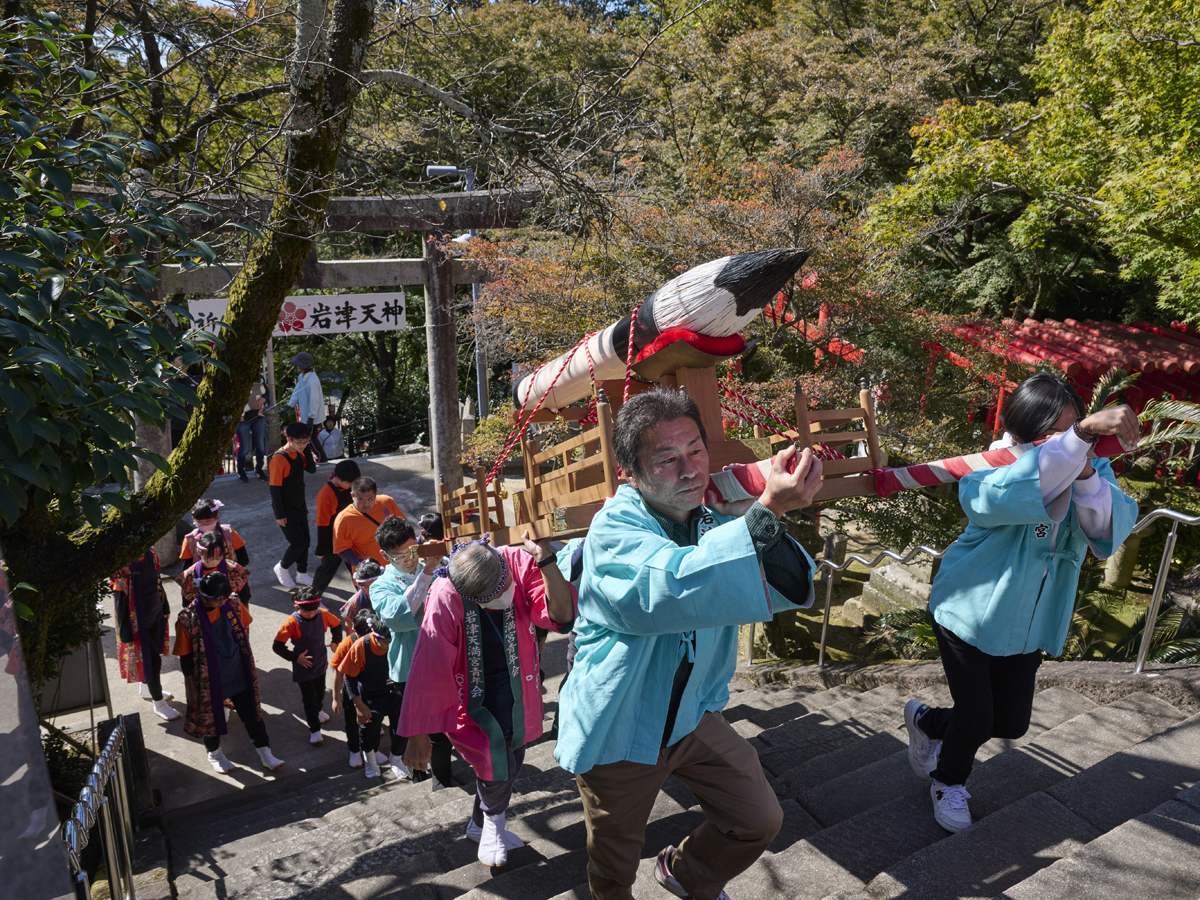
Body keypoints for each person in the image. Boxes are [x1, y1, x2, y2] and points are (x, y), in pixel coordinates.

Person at [555, 388, 821, 900]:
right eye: (667, 459)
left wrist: (758, 519)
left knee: (758, 819)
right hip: (619, 722)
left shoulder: (713, 517)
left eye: (696, 450)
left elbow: (787, 584)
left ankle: (686, 873)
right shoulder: (611, 531)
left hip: (691, 715)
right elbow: (670, 589)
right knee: (613, 858)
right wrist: (762, 514)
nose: (690, 470)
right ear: (630, 473)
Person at [903, 373, 1139, 834]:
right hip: (969, 611)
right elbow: (1006, 494)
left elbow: (1108, 531)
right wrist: (1081, 438)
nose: (1071, 439)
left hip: (1029, 618)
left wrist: (1085, 469)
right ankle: (947, 782)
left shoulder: (1089, 464)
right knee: (976, 719)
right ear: (1025, 428)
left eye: (1076, 427)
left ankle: (928, 722)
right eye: (1058, 431)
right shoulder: (990, 467)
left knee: (1010, 722)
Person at [400, 536, 576, 868]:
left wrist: (546, 560)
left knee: (514, 756)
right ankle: (493, 823)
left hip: (518, 682)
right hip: (473, 695)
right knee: (495, 763)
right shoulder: (445, 594)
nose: (500, 598)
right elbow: (429, 665)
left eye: (501, 589)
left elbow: (561, 615)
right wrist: (417, 733)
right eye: (487, 598)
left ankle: (479, 824)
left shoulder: (517, 562)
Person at [369, 516, 454, 789]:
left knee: (445, 727)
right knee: (420, 728)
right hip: (410, 668)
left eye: (411, 550)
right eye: (398, 555)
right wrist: (427, 572)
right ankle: (428, 779)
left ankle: (443, 777)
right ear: (384, 555)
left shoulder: (435, 562)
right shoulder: (380, 586)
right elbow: (399, 616)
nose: (407, 559)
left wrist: (442, 555)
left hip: (445, 657)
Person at [173, 571, 285, 774]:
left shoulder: (232, 604)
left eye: (224, 598)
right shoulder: (188, 619)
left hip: (236, 670)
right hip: (208, 678)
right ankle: (214, 754)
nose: (222, 602)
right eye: (218, 599)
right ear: (203, 596)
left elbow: (243, 628)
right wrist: (191, 687)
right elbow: (186, 657)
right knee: (210, 719)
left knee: (252, 713)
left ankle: (265, 752)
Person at [109, 549, 179, 721]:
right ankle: (159, 703)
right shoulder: (122, 565)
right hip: (136, 623)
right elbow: (120, 600)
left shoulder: (151, 553)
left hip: (154, 612)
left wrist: (165, 606)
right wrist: (126, 635)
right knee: (152, 662)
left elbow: (157, 580)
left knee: (152, 655)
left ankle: (147, 689)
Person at [336, 612, 406, 780]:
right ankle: (371, 761)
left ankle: (396, 759)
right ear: (375, 636)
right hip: (370, 696)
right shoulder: (361, 646)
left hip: (395, 692)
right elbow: (349, 677)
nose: (388, 646)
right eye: (385, 642)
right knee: (368, 731)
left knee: (401, 729)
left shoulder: (399, 640)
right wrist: (358, 704)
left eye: (391, 641)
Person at [272, 586, 343, 745]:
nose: (310, 615)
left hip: (320, 661)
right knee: (309, 698)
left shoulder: (323, 614)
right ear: (297, 607)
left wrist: (335, 641)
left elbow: (337, 625)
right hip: (303, 667)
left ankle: (318, 711)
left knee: (320, 691)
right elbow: (277, 646)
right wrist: (296, 658)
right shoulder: (291, 622)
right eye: (306, 612)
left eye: (313, 612)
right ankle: (315, 730)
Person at [271, 421, 317, 588]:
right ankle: (282, 567)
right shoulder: (279, 458)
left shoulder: (299, 453)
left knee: (306, 541)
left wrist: (306, 448)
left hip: (299, 504)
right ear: (288, 439)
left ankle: (302, 574)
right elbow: (274, 490)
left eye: (306, 442)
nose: (303, 445)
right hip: (286, 509)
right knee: (298, 543)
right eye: (299, 442)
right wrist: (279, 514)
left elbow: (311, 469)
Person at [311, 459, 362, 595]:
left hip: (351, 537)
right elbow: (322, 524)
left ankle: (365, 595)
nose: (352, 486)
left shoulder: (349, 486)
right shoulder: (325, 495)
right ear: (338, 478)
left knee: (358, 568)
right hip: (333, 541)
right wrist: (321, 549)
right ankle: (311, 599)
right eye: (350, 483)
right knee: (326, 570)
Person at [333, 476, 406, 569]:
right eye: (360, 499)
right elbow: (341, 548)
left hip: (399, 565)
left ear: (376, 494)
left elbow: (403, 526)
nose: (366, 504)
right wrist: (361, 564)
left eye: (370, 499)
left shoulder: (387, 501)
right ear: (352, 496)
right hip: (372, 572)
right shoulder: (344, 519)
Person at [331, 612, 373, 768]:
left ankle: (372, 749)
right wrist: (336, 698)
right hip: (350, 689)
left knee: (372, 721)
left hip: (370, 687)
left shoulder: (378, 641)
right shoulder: (346, 644)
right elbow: (338, 672)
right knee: (352, 723)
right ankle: (354, 750)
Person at [176, 530, 251, 608]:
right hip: (203, 613)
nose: (214, 559)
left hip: (232, 612)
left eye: (219, 555)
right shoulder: (189, 575)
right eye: (210, 556)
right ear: (199, 551)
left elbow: (245, 595)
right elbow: (187, 603)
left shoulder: (233, 568)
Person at [180, 498, 250, 568]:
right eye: (199, 522)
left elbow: (244, 560)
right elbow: (186, 567)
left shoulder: (229, 533)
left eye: (208, 521)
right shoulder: (189, 540)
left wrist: (229, 571)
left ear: (217, 517)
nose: (204, 525)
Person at [288, 351, 326, 462]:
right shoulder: (302, 377)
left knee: (310, 437)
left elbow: (314, 400)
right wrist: (289, 405)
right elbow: (296, 392)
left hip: (313, 415)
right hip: (308, 415)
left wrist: (311, 417)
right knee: (308, 437)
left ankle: (322, 457)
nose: (296, 366)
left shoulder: (312, 380)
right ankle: (318, 457)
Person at [237, 373, 269, 483]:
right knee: (244, 448)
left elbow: (267, 394)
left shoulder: (259, 377)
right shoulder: (238, 376)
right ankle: (241, 471)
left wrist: (264, 400)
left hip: (258, 417)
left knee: (260, 446)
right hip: (243, 419)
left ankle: (259, 470)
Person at [341, 558, 383, 628]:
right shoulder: (355, 602)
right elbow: (349, 623)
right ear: (359, 585)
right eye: (365, 586)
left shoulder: (393, 595)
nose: (371, 590)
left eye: (374, 585)